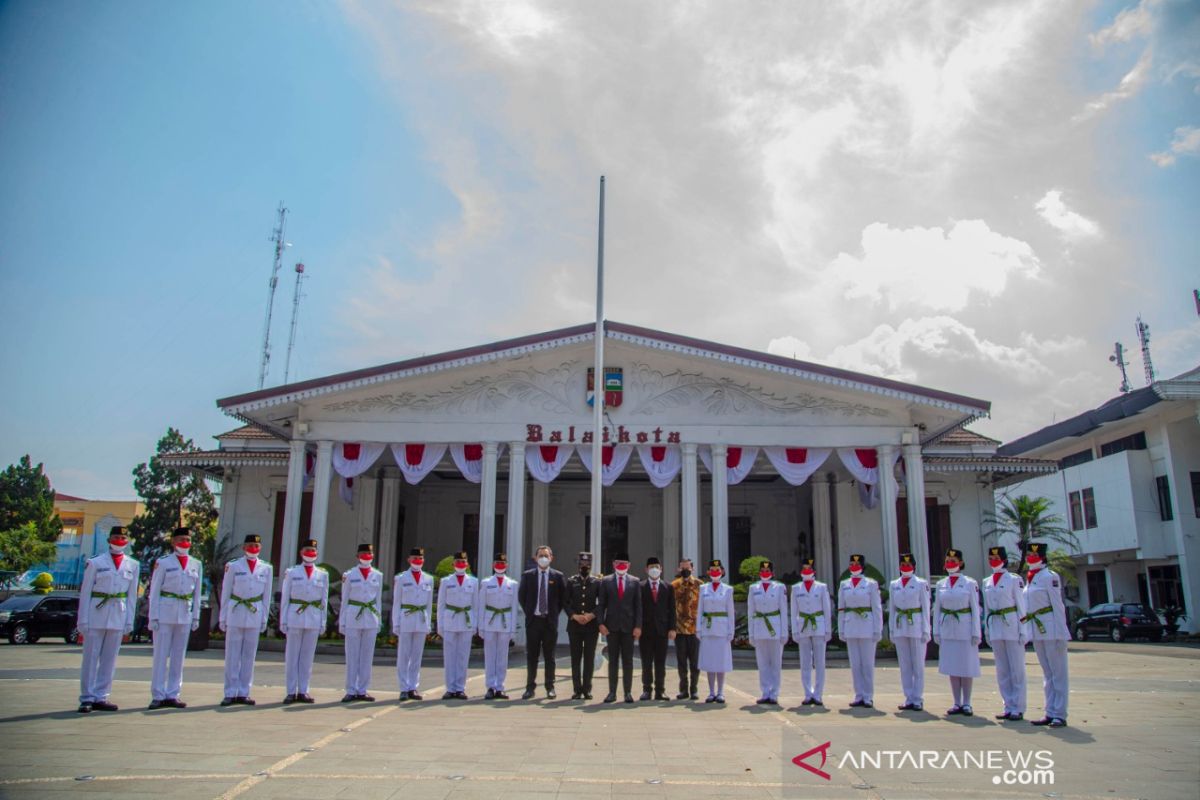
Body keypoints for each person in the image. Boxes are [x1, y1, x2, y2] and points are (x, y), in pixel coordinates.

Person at [77, 526, 139, 713]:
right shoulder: (95, 562)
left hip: (118, 613)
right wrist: (83, 619)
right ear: (109, 539)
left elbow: (132, 596)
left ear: (127, 540)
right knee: (91, 657)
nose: (119, 540)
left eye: (122, 537)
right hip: (96, 612)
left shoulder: (133, 564)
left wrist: (129, 620)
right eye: (116, 537)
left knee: (110, 659)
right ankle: (86, 697)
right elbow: (85, 592)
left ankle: (101, 695)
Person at [148, 527, 202, 710]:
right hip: (165, 612)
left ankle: (173, 693)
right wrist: (153, 616)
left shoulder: (196, 564)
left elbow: (197, 593)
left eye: (187, 539)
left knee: (179, 656)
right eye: (180, 540)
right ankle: (158, 694)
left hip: (184, 613)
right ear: (173, 542)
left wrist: (196, 616)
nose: (184, 543)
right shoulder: (163, 563)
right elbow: (154, 591)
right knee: (161, 655)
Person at [219, 534, 273, 706]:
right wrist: (223, 617)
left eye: (256, 545)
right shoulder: (233, 566)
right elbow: (226, 592)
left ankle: (244, 691)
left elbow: (266, 595)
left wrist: (264, 617)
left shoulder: (266, 568)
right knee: (232, 654)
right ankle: (230, 691)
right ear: (243, 547)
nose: (253, 548)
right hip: (236, 611)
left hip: (254, 612)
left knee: (249, 655)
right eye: (250, 545)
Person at [1022, 542, 1069, 728]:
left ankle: (1060, 713)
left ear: (1042, 557)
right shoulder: (1031, 578)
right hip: (1038, 630)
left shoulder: (1050, 577)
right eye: (1028, 555)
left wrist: (1061, 633)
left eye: (1034, 555)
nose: (1030, 558)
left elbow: (1058, 606)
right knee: (1047, 673)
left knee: (1058, 673)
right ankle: (1050, 711)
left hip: (1051, 630)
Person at [932, 548, 981, 716]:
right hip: (948, 629)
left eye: (953, 562)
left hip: (965, 629)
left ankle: (967, 702)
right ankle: (956, 702)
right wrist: (936, 631)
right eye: (947, 562)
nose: (950, 564)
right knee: (952, 667)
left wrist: (976, 632)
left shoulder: (969, 583)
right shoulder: (941, 584)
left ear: (960, 563)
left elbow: (975, 608)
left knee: (966, 667)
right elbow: (937, 608)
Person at [279, 538, 329, 704]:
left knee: (307, 657)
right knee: (292, 655)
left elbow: (324, 600)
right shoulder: (292, 572)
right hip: (295, 616)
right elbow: (285, 598)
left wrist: (323, 621)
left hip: (313, 617)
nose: (310, 553)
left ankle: (304, 690)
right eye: (307, 550)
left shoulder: (322, 574)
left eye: (313, 550)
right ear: (301, 553)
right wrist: (283, 620)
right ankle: (291, 691)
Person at [983, 545, 1027, 721]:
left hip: (1012, 625)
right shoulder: (987, 581)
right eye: (991, 559)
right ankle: (1008, 704)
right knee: (1002, 669)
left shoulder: (1013, 580)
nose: (994, 562)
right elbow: (987, 608)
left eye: (997, 559)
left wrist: (1023, 630)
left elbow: (1021, 607)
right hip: (995, 626)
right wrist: (987, 630)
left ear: (1004, 560)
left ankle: (1019, 706)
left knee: (1017, 669)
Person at [517, 544, 565, 699]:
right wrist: (530, 613)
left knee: (550, 657)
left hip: (549, 622)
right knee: (532, 656)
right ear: (535, 558)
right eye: (541, 555)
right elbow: (522, 597)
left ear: (551, 558)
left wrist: (552, 615)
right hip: (534, 622)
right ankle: (530, 687)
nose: (543, 558)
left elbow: (561, 599)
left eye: (546, 555)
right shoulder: (528, 575)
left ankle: (550, 687)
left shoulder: (557, 576)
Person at [339, 543, 383, 703]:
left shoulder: (377, 575)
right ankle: (351, 689)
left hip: (370, 617)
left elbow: (377, 600)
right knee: (352, 655)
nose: (367, 556)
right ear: (357, 556)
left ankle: (363, 689)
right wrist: (342, 621)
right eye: (363, 553)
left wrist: (378, 621)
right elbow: (345, 599)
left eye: (369, 553)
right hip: (353, 616)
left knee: (366, 656)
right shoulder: (349, 575)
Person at [596, 551, 642, 703]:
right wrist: (600, 623)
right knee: (613, 661)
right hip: (612, 627)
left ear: (629, 565)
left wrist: (638, 626)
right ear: (613, 564)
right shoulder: (606, 581)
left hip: (629, 628)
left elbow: (638, 606)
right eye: (618, 563)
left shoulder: (635, 581)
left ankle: (628, 692)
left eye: (624, 563)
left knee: (628, 661)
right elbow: (601, 604)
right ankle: (612, 692)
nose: (621, 565)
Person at [838, 553, 882, 708]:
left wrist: (877, 629)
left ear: (863, 566)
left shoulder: (871, 584)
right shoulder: (845, 584)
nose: (854, 567)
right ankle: (858, 695)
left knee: (867, 663)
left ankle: (868, 695)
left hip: (866, 626)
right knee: (855, 663)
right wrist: (841, 628)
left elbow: (876, 608)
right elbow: (841, 608)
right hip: (851, 625)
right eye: (852, 564)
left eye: (857, 564)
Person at [888, 552, 930, 712]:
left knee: (917, 664)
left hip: (916, 625)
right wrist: (892, 629)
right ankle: (908, 697)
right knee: (905, 664)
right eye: (903, 564)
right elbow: (892, 608)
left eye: (908, 564)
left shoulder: (921, 584)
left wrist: (926, 629)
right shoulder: (895, 584)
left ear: (914, 566)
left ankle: (917, 698)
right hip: (900, 625)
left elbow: (925, 608)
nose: (905, 567)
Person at [392, 547, 434, 701]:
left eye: (420, 558)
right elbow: (397, 602)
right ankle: (403, 687)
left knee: (417, 655)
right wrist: (396, 623)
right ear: (409, 560)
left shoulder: (428, 579)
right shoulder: (401, 578)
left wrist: (428, 622)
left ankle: (413, 687)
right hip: (406, 618)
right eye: (415, 558)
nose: (418, 561)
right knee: (404, 655)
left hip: (421, 618)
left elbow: (429, 604)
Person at [790, 558, 831, 707]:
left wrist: (828, 629)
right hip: (803, 626)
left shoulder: (821, 587)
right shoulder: (796, 588)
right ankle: (808, 693)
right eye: (804, 568)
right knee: (805, 662)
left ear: (813, 570)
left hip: (818, 625)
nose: (806, 570)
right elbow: (794, 610)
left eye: (809, 568)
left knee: (819, 662)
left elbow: (826, 609)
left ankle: (818, 694)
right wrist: (794, 630)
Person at [476, 552, 518, 699]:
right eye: (498, 564)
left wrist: (513, 628)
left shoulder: (512, 584)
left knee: (502, 656)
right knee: (490, 656)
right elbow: (481, 605)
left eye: (503, 564)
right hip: (490, 621)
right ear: (494, 565)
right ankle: (490, 686)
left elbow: (513, 607)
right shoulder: (486, 583)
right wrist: (480, 626)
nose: (500, 566)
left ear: (506, 566)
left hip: (505, 622)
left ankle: (500, 686)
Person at [437, 551, 478, 700]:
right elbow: (441, 604)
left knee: (463, 656)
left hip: (466, 621)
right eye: (458, 562)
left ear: (467, 564)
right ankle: (450, 688)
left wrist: (474, 624)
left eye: (463, 562)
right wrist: (440, 625)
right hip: (450, 620)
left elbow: (475, 605)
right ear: (453, 564)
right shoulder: (446, 581)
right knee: (449, 656)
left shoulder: (473, 582)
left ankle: (460, 688)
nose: (461, 564)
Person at [747, 559, 787, 705]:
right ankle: (765, 692)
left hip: (774, 628)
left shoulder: (779, 587)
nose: (765, 573)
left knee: (775, 663)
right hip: (759, 627)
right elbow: (751, 611)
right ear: (759, 573)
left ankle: (774, 693)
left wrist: (784, 632)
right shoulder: (753, 588)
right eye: (763, 571)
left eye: (768, 571)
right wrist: (751, 633)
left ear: (772, 573)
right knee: (762, 663)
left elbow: (783, 610)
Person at [697, 559, 735, 704]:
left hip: (721, 629)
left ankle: (720, 692)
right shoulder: (703, 588)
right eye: (712, 570)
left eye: (717, 570)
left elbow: (730, 611)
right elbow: (700, 609)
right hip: (707, 628)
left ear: (722, 572)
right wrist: (698, 628)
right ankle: (711, 691)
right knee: (709, 662)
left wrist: (731, 630)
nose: (715, 572)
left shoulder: (727, 589)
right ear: (708, 572)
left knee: (721, 662)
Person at [638, 556, 676, 701]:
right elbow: (638, 609)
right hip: (645, 630)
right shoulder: (640, 586)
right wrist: (638, 627)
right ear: (646, 569)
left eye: (657, 567)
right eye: (651, 567)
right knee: (646, 662)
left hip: (662, 630)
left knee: (660, 662)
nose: (654, 569)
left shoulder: (668, 587)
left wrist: (672, 628)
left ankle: (660, 690)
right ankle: (646, 689)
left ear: (661, 569)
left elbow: (672, 609)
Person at [565, 551, 601, 699]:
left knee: (589, 658)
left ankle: (587, 689)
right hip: (575, 625)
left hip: (591, 626)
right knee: (575, 658)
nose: (584, 566)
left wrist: (591, 615)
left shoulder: (597, 582)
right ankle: (577, 689)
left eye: (587, 564)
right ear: (578, 564)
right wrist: (574, 616)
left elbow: (602, 603)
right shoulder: (571, 581)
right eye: (582, 563)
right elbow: (565, 602)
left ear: (591, 565)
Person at [671, 558, 702, 700]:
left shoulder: (700, 585)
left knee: (695, 662)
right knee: (681, 661)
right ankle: (683, 690)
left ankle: (694, 689)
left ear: (692, 569)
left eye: (687, 568)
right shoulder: (674, 586)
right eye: (682, 567)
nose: (685, 570)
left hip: (695, 629)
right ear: (678, 569)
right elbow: (669, 608)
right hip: (679, 629)